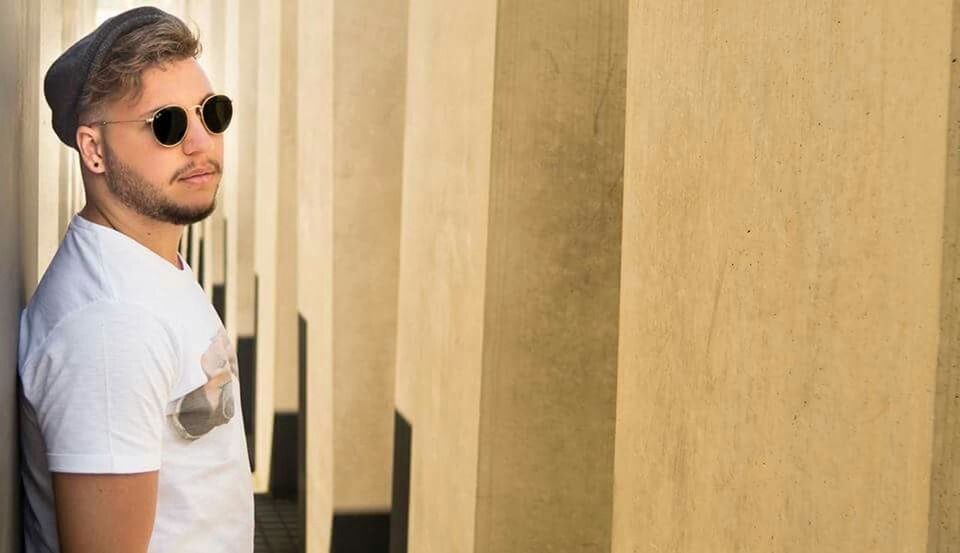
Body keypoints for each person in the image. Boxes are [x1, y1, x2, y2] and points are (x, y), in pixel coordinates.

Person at [17, 6, 254, 552]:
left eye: (210, 114)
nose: (201, 143)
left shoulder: (148, 263)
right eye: (167, 124)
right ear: (94, 149)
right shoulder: (109, 327)